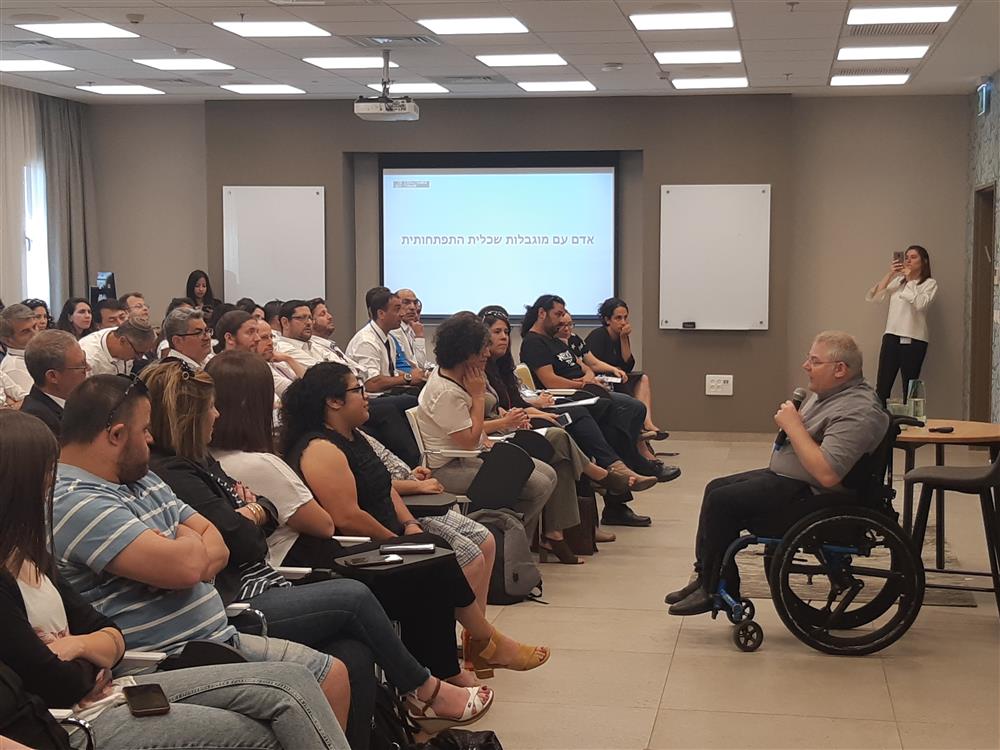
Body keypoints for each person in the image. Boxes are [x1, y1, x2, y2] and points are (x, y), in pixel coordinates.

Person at [143, 359, 494, 738]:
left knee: (357, 649)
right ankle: (431, 685)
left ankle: (398, 720)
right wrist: (252, 513)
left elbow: (256, 519)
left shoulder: (204, 461)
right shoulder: (181, 471)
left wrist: (252, 512)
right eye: (208, 407)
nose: (216, 413)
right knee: (375, 586)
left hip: (269, 576)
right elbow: (266, 534)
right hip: (251, 592)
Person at [0, 409, 353, 750]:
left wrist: (80, 646)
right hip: (92, 706)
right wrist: (93, 655)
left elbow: (110, 633)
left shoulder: (33, 557)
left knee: (312, 677)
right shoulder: (57, 522)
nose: (54, 484)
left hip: (137, 673)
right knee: (283, 712)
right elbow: (51, 679)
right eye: (48, 473)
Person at [281, 361, 552, 683]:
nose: (367, 397)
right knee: (431, 561)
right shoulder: (320, 449)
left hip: (383, 537)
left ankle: (471, 653)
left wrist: (409, 525)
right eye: (358, 390)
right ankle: (476, 650)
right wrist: (397, 540)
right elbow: (347, 517)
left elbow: (383, 486)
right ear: (333, 401)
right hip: (354, 549)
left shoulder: (354, 437)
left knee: (435, 552)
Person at [665, 331, 890, 616]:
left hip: (818, 495)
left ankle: (715, 589)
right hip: (793, 480)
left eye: (814, 361)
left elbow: (828, 473)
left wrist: (794, 425)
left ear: (840, 369)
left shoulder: (858, 410)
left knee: (724, 502)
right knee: (715, 489)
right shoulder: (829, 396)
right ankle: (706, 577)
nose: (805, 366)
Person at [416, 313, 559, 534]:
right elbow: (468, 442)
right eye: (481, 348)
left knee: (548, 473)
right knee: (537, 485)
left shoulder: (459, 375)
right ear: (463, 352)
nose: (487, 353)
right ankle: (504, 538)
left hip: (469, 455)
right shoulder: (446, 391)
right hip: (448, 466)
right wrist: (478, 395)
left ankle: (512, 541)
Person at [519, 295, 678, 488]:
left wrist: (587, 377)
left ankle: (630, 466)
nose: (562, 320)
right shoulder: (534, 343)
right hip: (568, 395)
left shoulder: (556, 340)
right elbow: (550, 381)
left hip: (585, 390)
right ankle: (628, 467)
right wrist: (582, 385)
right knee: (618, 411)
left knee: (634, 408)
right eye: (558, 314)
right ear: (542, 313)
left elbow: (584, 365)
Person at [865, 245, 938, 405]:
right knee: (882, 387)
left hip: (914, 339)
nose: (908, 261)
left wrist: (911, 280)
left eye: (913, 257)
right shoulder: (898, 281)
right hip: (891, 335)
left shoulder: (929, 284)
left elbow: (920, 304)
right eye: (906, 257)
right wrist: (891, 273)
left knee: (910, 388)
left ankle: (911, 425)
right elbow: (875, 297)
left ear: (924, 261)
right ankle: (881, 425)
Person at [586, 297, 667, 439]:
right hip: (602, 380)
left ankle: (647, 423)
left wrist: (624, 339)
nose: (623, 322)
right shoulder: (598, 336)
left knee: (643, 378)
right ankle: (640, 427)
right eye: (618, 318)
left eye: (625, 318)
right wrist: (613, 368)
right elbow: (593, 364)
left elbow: (628, 364)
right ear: (607, 320)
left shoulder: (621, 336)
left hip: (618, 377)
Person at [346, 287, 427, 393]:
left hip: (386, 393)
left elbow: (392, 374)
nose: (402, 314)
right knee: (411, 398)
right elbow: (371, 384)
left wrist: (418, 376)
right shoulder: (366, 341)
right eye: (397, 309)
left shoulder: (388, 338)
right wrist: (409, 377)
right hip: (370, 398)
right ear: (381, 314)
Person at [22, 330, 89, 437]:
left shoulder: (79, 400)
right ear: (53, 376)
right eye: (81, 366)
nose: (88, 369)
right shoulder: (39, 424)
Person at [79, 316, 157, 376]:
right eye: (138, 353)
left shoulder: (126, 335)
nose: (139, 358)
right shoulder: (89, 356)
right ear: (122, 341)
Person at [0, 304, 39, 392]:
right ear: (8, 340)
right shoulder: (14, 368)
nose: (35, 333)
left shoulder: (34, 356)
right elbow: (30, 404)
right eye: (25, 331)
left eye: (34, 327)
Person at [393, 288, 431, 369]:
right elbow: (419, 365)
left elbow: (421, 364)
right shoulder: (394, 330)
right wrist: (419, 336)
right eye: (406, 302)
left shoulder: (409, 327)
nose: (413, 307)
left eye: (415, 302)